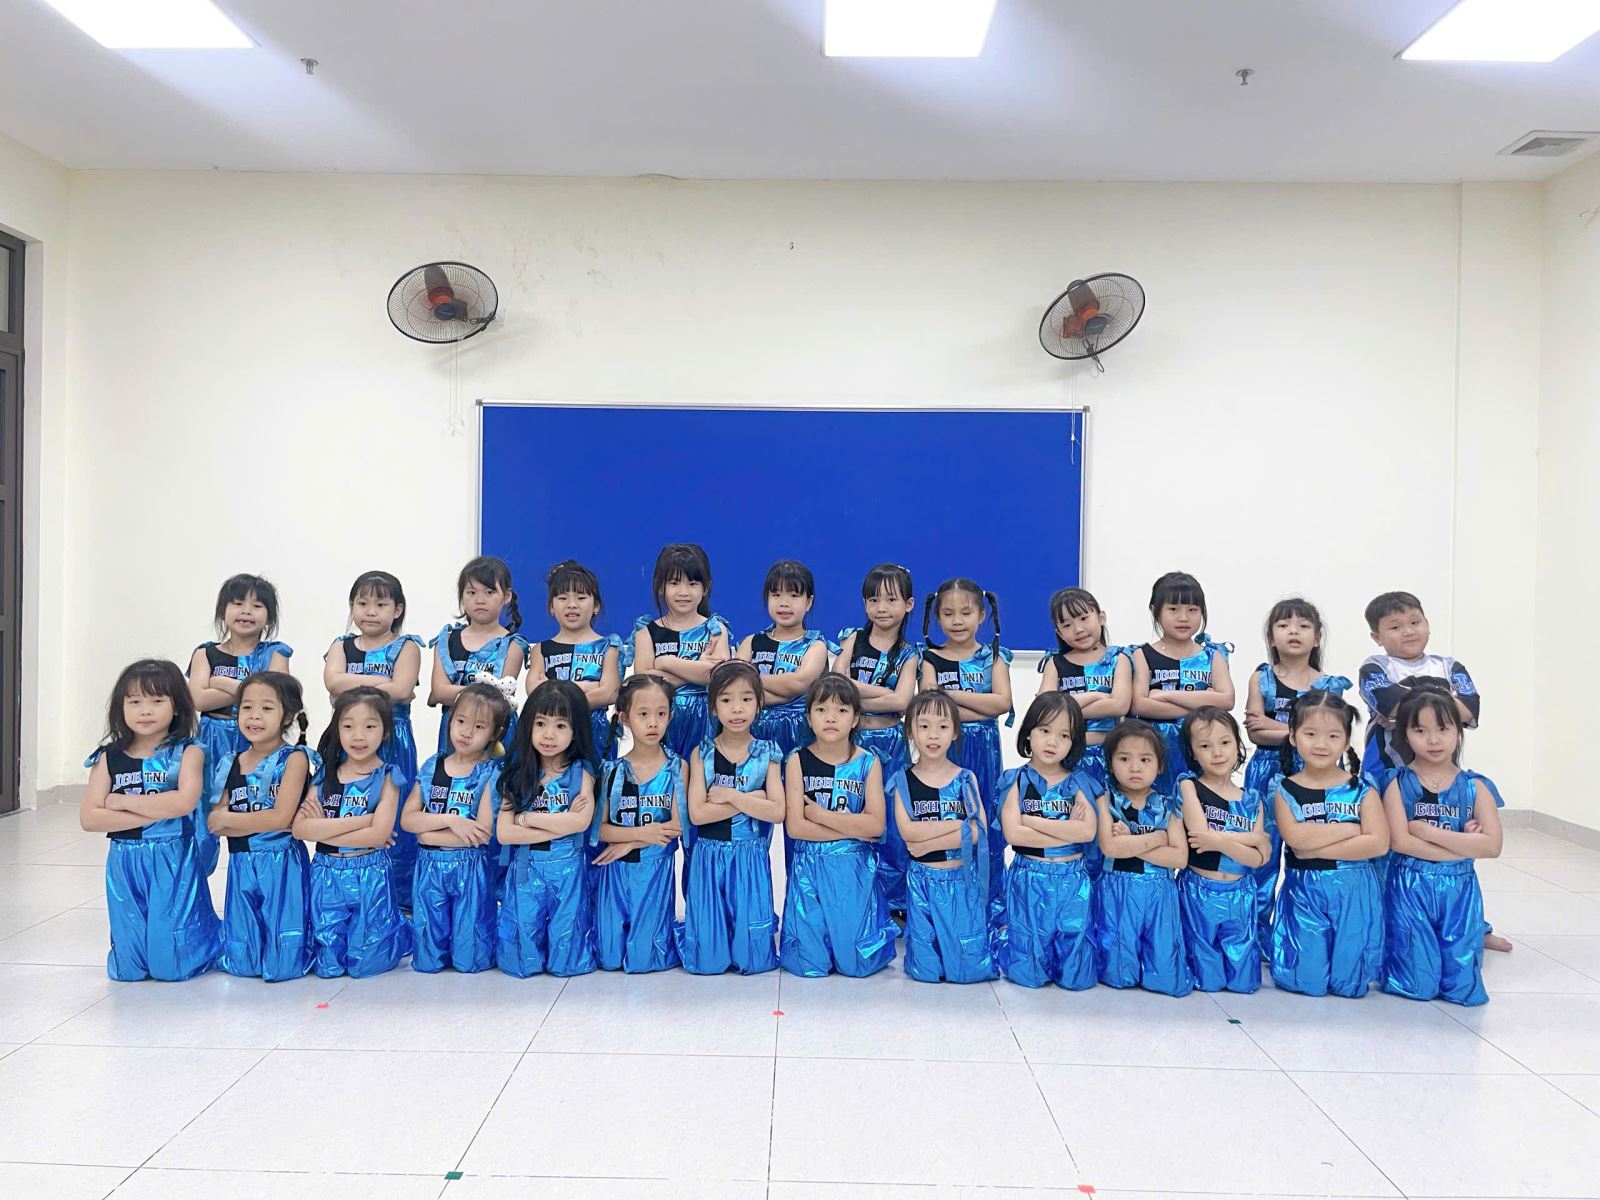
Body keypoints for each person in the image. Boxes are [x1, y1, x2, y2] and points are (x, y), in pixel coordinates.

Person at [80, 659, 219, 981]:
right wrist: (157, 808)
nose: (145, 710)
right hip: (124, 858)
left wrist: (120, 803)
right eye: (135, 702)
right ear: (121, 707)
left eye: (157, 701)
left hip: (173, 857)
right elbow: (90, 818)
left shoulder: (189, 752)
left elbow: (183, 803)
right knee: (128, 969)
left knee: (170, 966)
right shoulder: (108, 757)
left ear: (176, 706)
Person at [1381, 687, 1503, 1006]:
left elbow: (1492, 846)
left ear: (1458, 731)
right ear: (1405, 735)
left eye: (1443, 729)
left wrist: (1427, 831)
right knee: (1417, 985)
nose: (1433, 740)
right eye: (1420, 731)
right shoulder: (1396, 782)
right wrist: (1466, 844)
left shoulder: (1476, 786)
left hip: (1460, 889)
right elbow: (1400, 841)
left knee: (1462, 987)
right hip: (1409, 886)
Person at [1271, 690, 1388, 999]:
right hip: (1305, 890)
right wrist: (1351, 829)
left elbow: (1378, 844)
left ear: (1346, 740)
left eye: (1333, 735)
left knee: (1349, 985)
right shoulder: (1285, 789)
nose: (1321, 744)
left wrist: (1314, 844)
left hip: (1354, 889)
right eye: (1310, 734)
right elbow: (1295, 840)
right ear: (1293, 736)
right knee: (1306, 981)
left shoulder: (1362, 789)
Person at [780, 673, 897, 978]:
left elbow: (876, 825)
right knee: (809, 965)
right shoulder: (797, 761)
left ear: (856, 718)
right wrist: (854, 827)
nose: (831, 718)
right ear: (809, 718)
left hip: (853, 870)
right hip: (810, 868)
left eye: (841, 710)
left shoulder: (868, 762)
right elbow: (796, 828)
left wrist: (821, 816)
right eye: (821, 710)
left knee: (857, 964)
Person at [207, 671, 316, 982]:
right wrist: (254, 821)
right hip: (241, 860)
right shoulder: (230, 761)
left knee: (283, 962)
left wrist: (232, 819)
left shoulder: (294, 759)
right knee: (243, 962)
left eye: (267, 708)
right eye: (247, 707)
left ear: (288, 716)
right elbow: (215, 822)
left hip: (282, 862)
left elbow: (281, 818)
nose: (254, 716)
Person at [886, 690, 996, 983]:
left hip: (961, 880)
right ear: (910, 731)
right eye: (924, 726)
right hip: (922, 882)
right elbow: (908, 832)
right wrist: (960, 825)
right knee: (926, 972)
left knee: (968, 970)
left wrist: (929, 842)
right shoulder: (902, 781)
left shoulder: (965, 778)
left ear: (955, 732)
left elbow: (978, 831)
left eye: (943, 726)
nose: (933, 735)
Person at [496, 680, 600, 978]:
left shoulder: (581, 772)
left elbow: (580, 823)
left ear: (575, 730)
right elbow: (504, 834)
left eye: (560, 726)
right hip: (525, 869)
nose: (549, 734)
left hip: (567, 869)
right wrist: (561, 823)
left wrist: (525, 818)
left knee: (567, 949)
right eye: (540, 723)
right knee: (521, 952)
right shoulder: (517, 775)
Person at [996, 692, 1099, 990]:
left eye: (1064, 735)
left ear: (1074, 742)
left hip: (1072, 879)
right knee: (1028, 971)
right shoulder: (1016, 779)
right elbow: (1013, 834)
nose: (1053, 742)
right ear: (1029, 732)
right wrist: (1066, 827)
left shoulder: (1078, 781)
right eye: (1045, 731)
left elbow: (1087, 833)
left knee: (1076, 976)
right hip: (1029, 877)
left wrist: (1031, 821)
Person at [1093, 720, 1192, 997]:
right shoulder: (1105, 800)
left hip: (1160, 892)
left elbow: (1179, 858)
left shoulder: (1168, 804)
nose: (1135, 768)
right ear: (1110, 763)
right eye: (1124, 759)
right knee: (1118, 975)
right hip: (1118, 889)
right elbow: (1110, 848)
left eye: (1145, 759)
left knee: (1165, 975)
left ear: (1159, 766)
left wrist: (1131, 839)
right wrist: (1158, 838)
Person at [1177, 708, 1269, 993]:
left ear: (1238, 745)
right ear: (1193, 753)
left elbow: (1258, 859)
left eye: (1225, 742)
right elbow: (1199, 835)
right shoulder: (1188, 786)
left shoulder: (1252, 799)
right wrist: (1251, 838)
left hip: (1240, 893)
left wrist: (1220, 842)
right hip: (1199, 890)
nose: (1217, 752)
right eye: (1205, 746)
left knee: (1244, 984)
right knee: (1207, 981)